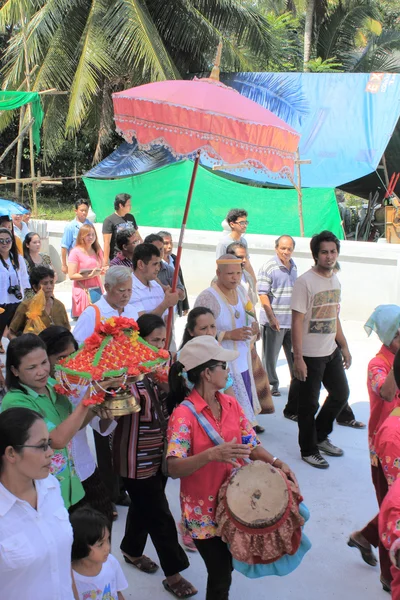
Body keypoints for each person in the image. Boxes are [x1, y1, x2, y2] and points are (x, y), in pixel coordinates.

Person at [166, 335, 297, 600]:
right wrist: (212, 454)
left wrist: (277, 463)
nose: (228, 371)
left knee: (228, 567)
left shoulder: (230, 404)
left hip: (236, 504)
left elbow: (252, 445)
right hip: (202, 511)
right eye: (223, 366)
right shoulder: (183, 415)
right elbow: (173, 467)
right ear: (206, 373)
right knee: (220, 574)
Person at [114, 312, 196, 598]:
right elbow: (111, 416)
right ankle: (173, 575)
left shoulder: (165, 367)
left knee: (143, 507)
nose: (159, 347)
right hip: (134, 457)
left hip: (159, 454)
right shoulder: (123, 375)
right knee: (160, 515)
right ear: (137, 341)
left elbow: (176, 405)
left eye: (162, 340)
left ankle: (131, 550)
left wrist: (170, 386)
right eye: (153, 340)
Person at [1, 334, 95, 509]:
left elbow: (72, 426)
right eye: (32, 367)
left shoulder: (52, 384)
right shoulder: (16, 401)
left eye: (44, 362)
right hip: (41, 495)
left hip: (71, 485)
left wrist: (96, 406)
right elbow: (57, 440)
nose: (42, 371)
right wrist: (87, 399)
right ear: (14, 371)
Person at [73, 266, 140, 509]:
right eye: (121, 290)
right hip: (102, 386)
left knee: (126, 438)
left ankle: (124, 485)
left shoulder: (131, 311)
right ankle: (111, 493)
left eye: (130, 290)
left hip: (128, 383)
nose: (126, 295)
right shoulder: (94, 313)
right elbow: (78, 350)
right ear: (107, 288)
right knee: (106, 440)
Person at [288, 230, 352, 469]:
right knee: (308, 405)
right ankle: (308, 449)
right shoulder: (305, 282)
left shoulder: (335, 279)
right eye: (324, 252)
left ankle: (320, 435)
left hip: (330, 351)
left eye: (333, 251)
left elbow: (334, 316)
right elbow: (296, 321)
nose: (329, 256)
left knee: (341, 394)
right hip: (310, 355)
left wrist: (343, 345)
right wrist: (298, 358)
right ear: (316, 255)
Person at [39, 326, 115, 524]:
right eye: (62, 358)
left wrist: (108, 409)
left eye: (74, 355)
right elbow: (59, 437)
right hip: (57, 478)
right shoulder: (35, 394)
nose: (70, 363)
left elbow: (101, 426)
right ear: (44, 360)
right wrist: (88, 406)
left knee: (103, 520)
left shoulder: (80, 382)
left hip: (85, 467)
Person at [348, 305, 400, 592]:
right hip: (384, 449)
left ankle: (365, 537)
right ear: (391, 334)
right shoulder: (377, 364)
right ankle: (387, 575)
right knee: (391, 509)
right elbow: (387, 392)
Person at [0, 407, 74, 599]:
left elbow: (62, 563)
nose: (50, 452)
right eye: (42, 446)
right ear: (11, 454)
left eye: (49, 443)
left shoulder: (50, 485)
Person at [194, 254, 263, 431]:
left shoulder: (241, 291)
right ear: (218, 272)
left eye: (238, 273)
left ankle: (246, 439)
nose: (235, 278)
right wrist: (227, 335)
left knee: (244, 409)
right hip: (221, 365)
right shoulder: (207, 298)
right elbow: (197, 334)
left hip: (243, 360)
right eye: (230, 273)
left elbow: (249, 315)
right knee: (229, 413)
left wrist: (254, 326)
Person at [257, 235, 297, 399]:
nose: (286, 252)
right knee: (270, 357)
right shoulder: (269, 267)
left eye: (289, 249)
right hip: (274, 321)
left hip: (291, 320)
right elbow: (263, 294)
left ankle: (297, 383)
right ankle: (271, 384)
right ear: (276, 248)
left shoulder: (293, 266)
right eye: (283, 248)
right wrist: (272, 318)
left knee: (295, 354)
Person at [71, 507, 128, 600]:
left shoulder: (111, 562)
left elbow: (118, 593)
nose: (107, 548)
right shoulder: (70, 577)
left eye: (107, 540)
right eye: (100, 544)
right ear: (81, 545)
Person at [8, 265, 70, 337]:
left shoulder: (59, 306)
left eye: (51, 282)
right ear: (35, 287)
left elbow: (67, 331)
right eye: (45, 283)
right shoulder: (26, 306)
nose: (49, 286)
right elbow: (11, 333)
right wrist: (22, 346)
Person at [130, 243, 179, 318]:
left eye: (158, 264)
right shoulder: (129, 288)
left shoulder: (156, 286)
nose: (158, 268)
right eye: (154, 264)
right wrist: (165, 304)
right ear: (140, 264)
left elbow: (165, 319)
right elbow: (141, 322)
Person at [0, 226, 30, 353]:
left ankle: (17, 355)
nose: (5, 243)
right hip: (1, 302)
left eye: (8, 240)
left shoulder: (18, 259)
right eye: (1, 240)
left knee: (17, 332)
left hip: (16, 300)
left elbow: (24, 279)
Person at [68, 223, 105, 318]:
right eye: (88, 235)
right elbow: (71, 275)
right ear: (82, 236)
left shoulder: (98, 250)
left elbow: (101, 267)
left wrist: (102, 270)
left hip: (96, 289)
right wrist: (90, 275)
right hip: (82, 290)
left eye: (93, 234)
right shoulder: (75, 252)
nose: (91, 237)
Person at [158, 230, 190, 317]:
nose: (170, 246)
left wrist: (184, 304)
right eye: (166, 243)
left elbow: (180, 281)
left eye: (171, 242)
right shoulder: (156, 263)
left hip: (175, 306)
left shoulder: (174, 259)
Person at [102, 193, 140, 265]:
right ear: (121, 205)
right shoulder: (109, 220)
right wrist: (105, 262)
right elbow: (106, 243)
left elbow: (137, 235)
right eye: (128, 205)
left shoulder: (131, 217)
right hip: (118, 258)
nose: (130, 207)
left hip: (132, 256)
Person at [61, 199, 92, 275]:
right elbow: (64, 247)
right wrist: (64, 265)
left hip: (88, 261)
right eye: (82, 210)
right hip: (76, 263)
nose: (84, 213)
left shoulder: (90, 225)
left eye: (86, 210)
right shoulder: (70, 227)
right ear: (76, 211)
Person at [226, 241, 258, 307]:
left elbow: (252, 303)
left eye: (245, 257)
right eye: (240, 257)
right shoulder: (220, 280)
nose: (244, 260)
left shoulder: (248, 277)